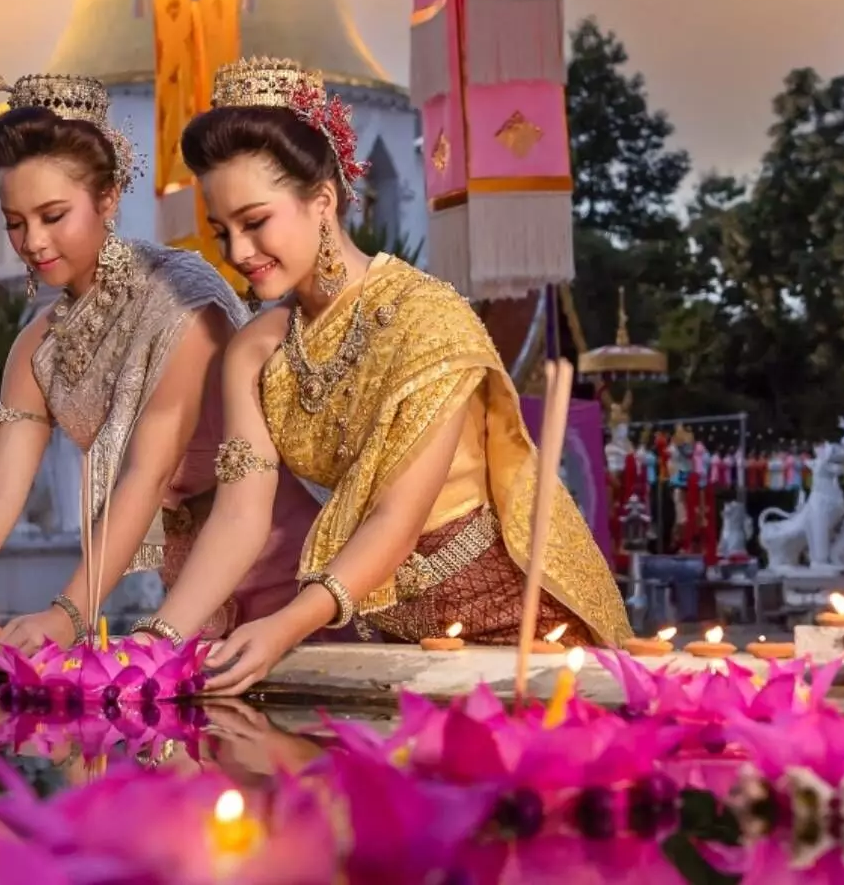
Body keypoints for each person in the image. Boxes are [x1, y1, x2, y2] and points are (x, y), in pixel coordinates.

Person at [127, 58, 633, 695]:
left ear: (322, 201)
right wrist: (159, 638)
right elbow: (239, 517)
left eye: (255, 222)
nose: (237, 253)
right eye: (222, 231)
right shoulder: (254, 351)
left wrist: (284, 627)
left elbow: (397, 514)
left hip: (518, 629)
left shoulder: (427, 317)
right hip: (399, 637)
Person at [0, 73, 321, 648]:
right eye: (15, 223)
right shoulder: (35, 348)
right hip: (188, 587)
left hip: (286, 565)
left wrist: (68, 616)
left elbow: (147, 474)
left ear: (108, 197)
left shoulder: (183, 298)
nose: (34, 242)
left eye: (52, 215)